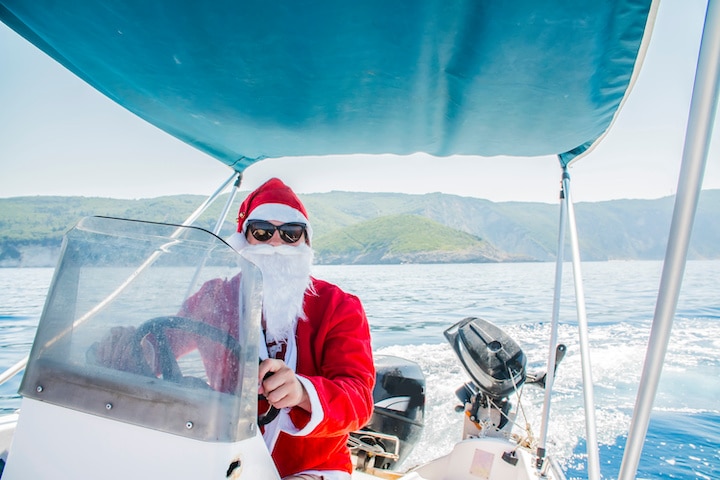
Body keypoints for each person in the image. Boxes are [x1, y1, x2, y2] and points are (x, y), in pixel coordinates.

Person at [94, 178, 376, 480]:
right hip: (223, 455)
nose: (277, 244)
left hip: (312, 467)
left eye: (291, 233)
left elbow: (358, 399)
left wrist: (302, 392)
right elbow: (163, 344)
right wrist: (126, 347)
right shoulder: (214, 298)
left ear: (305, 242)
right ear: (243, 240)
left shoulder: (338, 306)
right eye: (262, 232)